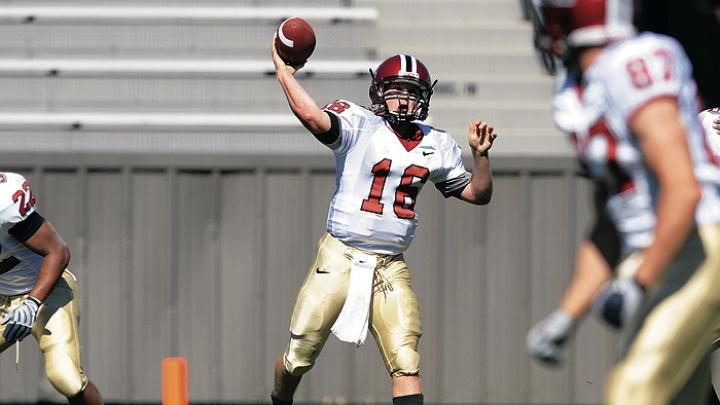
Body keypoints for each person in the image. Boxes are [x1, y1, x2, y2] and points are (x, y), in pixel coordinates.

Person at [269, 40, 497, 405]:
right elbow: (313, 118)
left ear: (424, 98)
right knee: (300, 355)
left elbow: (476, 194)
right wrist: (284, 72)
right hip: (339, 256)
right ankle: (280, 400)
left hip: (389, 266)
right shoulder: (359, 123)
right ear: (380, 93)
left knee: (406, 361)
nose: (403, 100)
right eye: (396, 91)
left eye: (411, 92)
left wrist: (481, 156)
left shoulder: (437, 143)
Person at [525, 0, 720, 403]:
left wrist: (639, 280)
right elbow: (610, 222)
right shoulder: (578, 90)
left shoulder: (633, 62)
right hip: (664, 254)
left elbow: (684, 190)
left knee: (632, 393)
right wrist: (567, 315)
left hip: (700, 246)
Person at [0, 172, 104, 404]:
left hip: (46, 292)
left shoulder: (4, 202)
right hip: (2, 296)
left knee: (66, 378)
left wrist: (31, 304)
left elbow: (58, 251)